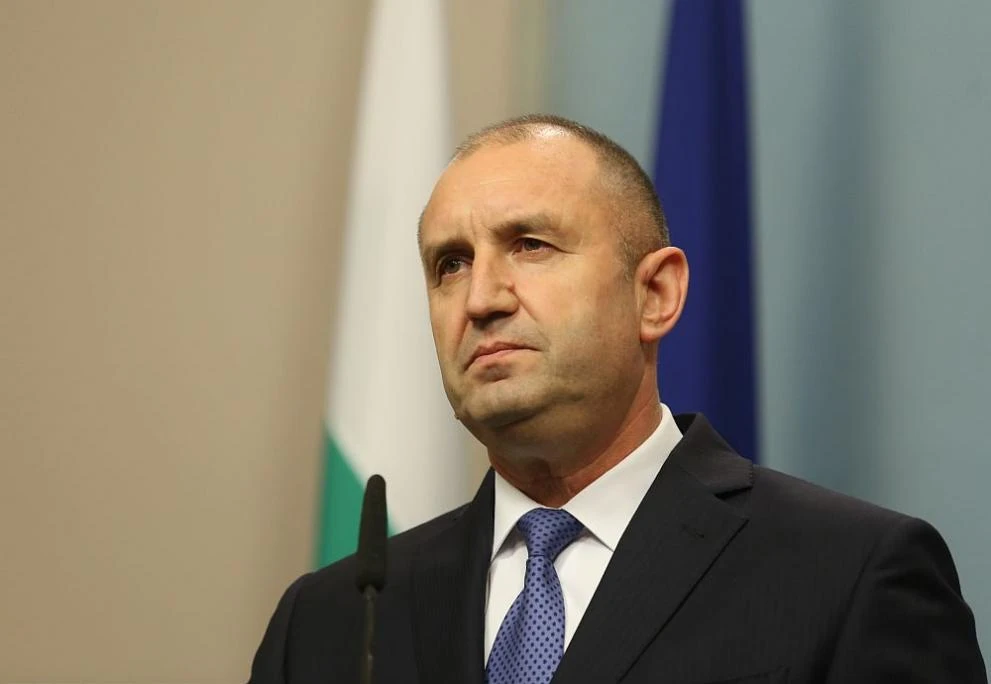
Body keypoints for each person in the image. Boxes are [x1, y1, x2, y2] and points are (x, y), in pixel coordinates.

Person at [248, 115, 986, 683]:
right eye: (450, 264)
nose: (480, 299)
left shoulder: (848, 574)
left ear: (655, 294)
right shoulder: (328, 619)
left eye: (530, 245)